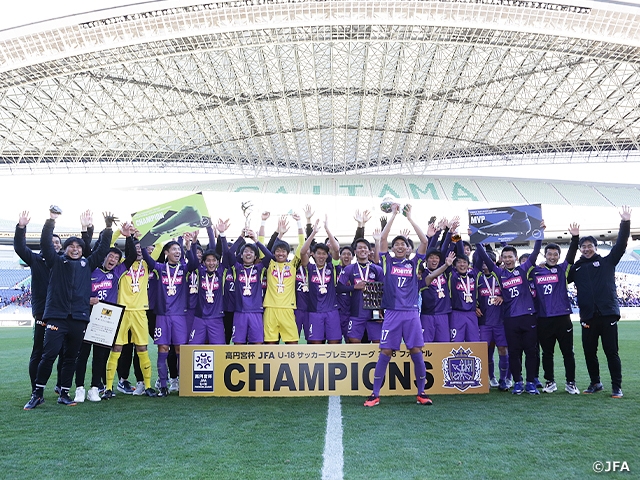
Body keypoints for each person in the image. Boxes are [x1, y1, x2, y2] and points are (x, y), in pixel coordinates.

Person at [24, 210, 114, 410]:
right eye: (71, 246)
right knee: (49, 355)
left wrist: (107, 228)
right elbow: (46, 244)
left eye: (78, 246)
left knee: (71, 357)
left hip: (79, 319)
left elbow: (101, 250)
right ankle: (37, 393)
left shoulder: (87, 263)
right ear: (64, 250)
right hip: (56, 317)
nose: (75, 249)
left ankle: (64, 392)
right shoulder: (56, 262)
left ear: (82, 250)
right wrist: (51, 221)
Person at [364, 203, 440, 407]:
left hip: (412, 313)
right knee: (385, 353)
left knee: (416, 351)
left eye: (403, 244)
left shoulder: (414, 263)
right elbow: (381, 239)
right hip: (392, 314)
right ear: (392, 248)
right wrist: (394, 215)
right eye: (396, 244)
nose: (399, 246)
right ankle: (375, 394)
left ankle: (421, 393)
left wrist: (409, 217)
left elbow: (425, 240)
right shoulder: (387, 261)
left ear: (408, 249)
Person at [475, 221, 545, 395]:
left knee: (530, 351)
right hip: (510, 319)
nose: (507, 260)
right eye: (504, 257)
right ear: (502, 259)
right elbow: (484, 258)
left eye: (510, 257)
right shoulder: (499, 273)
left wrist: (539, 235)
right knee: (514, 352)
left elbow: (535, 253)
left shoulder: (524, 269)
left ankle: (530, 382)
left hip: (528, 316)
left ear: (515, 257)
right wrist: (476, 239)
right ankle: (518, 382)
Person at [568, 206, 631, 398]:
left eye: (590, 246)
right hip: (587, 316)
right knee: (589, 352)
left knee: (611, 352)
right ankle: (596, 382)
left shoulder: (607, 262)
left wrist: (625, 223)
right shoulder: (576, 269)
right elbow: (567, 266)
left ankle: (616, 387)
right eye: (583, 247)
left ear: (596, 248)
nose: (587, 249)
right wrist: (574, 239)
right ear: (581, 249)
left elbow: (620, 245)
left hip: (607, 314)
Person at [74, 224, 137, 402]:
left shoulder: (117, 272)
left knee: (100, 356)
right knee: (83, 354)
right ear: (104, 256)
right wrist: (87, 301)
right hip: (86, 317)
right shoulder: (90, 268)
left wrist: (129, 236)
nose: (113, 259)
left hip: (107, 320)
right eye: (110, 255)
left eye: (116, 258)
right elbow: (76, 291)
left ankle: (94, 388)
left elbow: (132, 256)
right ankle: (79, 387)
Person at [529, 225, 580, 395]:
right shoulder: (535, 271)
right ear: (545, 256)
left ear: (558, 256)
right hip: (543, 318)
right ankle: (550, 382)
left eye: (555, 254)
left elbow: (572, 255)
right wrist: (539, 234)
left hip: (562, 317)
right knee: (547, 353)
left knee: (568, 352)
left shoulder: (563, 269)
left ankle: (571, 383)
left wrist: (575, 238)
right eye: (549, 254)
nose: (552, 256)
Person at [142, 239, 189, 397]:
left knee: (179, 350)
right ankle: (163, 385)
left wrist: (193, 242)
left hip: (179, 316)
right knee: (163, 349)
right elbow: (147, 258)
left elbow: (195, 262)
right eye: (174, 249)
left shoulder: (184, 268)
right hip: (162, 316)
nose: (177, 252)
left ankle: (184, 384)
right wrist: (140, 240)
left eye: (179, 250)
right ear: (166, 253)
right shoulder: (159, 268)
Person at [262, 213, 305, 344]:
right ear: (274, 253)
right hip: (270, 308)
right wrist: (276, 233)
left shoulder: (293, 265)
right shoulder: (270, 264)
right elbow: (264, 247)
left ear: (288, 253)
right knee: (270, 345)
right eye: (278, 251)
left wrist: (299, 223)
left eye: (283, 251)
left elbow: (302, 246)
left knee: (292, 344)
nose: (280, 253)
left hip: (288, 308)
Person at [300, 217, 342, 344]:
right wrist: (314, 233)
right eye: (319, 253)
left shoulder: (332, 266)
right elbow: (302, 252)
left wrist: (327, 230)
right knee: (316, 344)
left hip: (332, 310)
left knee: (334, 342)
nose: (321, 256)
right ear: (313, 254)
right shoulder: (310, 268)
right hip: (314, 311)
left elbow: (336, 249)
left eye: (324, 254)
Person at [338, 237, 384, 343]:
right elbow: (339, 288)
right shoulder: (349, 269)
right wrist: (354, 287)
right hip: (356, 312)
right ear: (355, 251)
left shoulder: (377, 269)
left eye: (365, 248)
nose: (362, 250)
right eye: (359, 248)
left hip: (374, 312)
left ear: (369, 251)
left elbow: (383, 290)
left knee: (378, 342)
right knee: (353, 340)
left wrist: (381, 310)